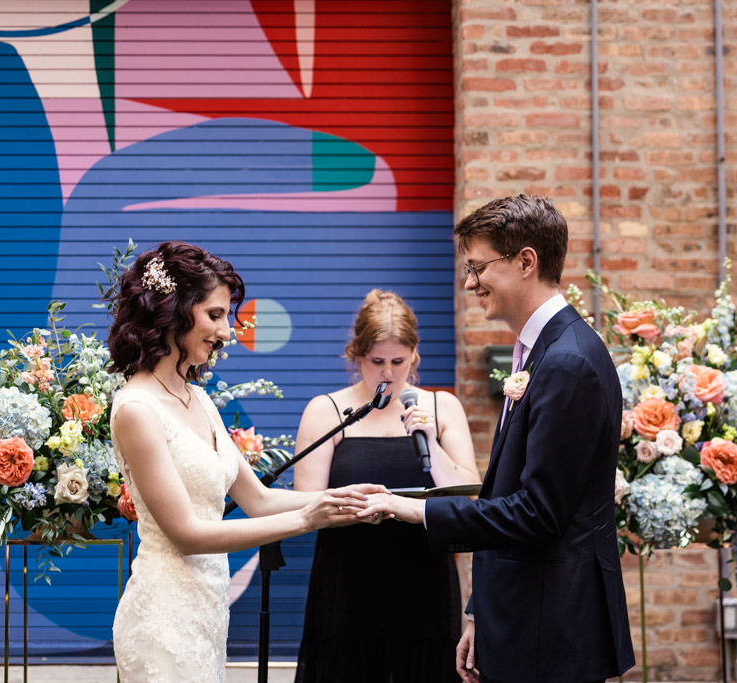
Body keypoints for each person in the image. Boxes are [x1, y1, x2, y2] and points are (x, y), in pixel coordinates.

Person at [359, 196, 635, 683]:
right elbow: (505, 495)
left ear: (525, 262)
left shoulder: (567, 361)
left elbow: (538, 513)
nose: (469, 283)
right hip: (523, 619)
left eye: (478, 267)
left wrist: (413, 508)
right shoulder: (539, 352)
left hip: (550, 634)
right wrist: (477, 611)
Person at [106, 241, 385, 683]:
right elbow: (188, 535)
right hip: (162, 618)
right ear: (173, 310)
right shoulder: (137, 409)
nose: (227, 331)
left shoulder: (197, 397)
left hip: (207, 612)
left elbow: (257, 499)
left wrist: (337, 500)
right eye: (215, 315)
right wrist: (308, 520)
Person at [292, 289, 480, 682]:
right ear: (356, 356)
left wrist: (430, 442)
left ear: (414, 354)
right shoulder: (326, 410)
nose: (389, 373)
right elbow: (305, 506)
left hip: (425, 581)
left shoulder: (441, 408)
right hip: (349, 583)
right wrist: (362, 506)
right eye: (377, 361)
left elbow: (468, 495)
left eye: (398, 360)